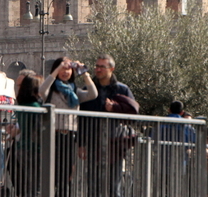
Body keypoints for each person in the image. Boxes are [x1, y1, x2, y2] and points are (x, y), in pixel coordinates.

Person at [79, 54, 137, 197]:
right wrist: (80, 143)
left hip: (114, 143)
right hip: (93, 142)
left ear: (112, 69)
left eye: (102, 67)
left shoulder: (122, 90)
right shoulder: (88, 89)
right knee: (93, 185)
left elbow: (133, 114)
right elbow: (81, 118)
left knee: (114, 185)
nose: (98, 70)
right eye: (96, 66)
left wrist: (115, 108)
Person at [39, 57, 97, 197]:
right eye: (62, 69)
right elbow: (42, 90)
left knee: (67, 175)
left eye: (68, 69)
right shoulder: (51, 90)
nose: (65, 72)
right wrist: (57, 70)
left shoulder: (74, 91)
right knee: (53, 173)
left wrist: (84, 72)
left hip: (69, 137)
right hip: (53, 136)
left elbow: (93, 94)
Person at [13, 74, 44, 197]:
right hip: (34, 149)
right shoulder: (36, 107)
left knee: (28, 184)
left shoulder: (21, 106)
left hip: (22, 148)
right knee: (37, 185)